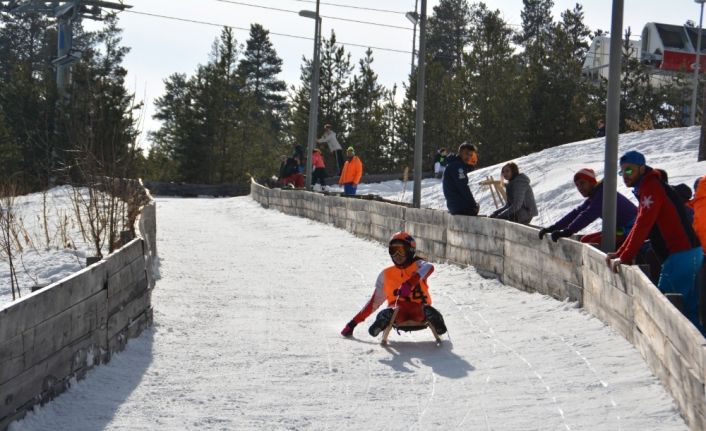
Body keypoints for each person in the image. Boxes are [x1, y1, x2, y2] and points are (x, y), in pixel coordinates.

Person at [606, 151, 702, 330]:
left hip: (681, 253)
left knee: (666, 309)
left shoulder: (651, 187)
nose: (625, 176)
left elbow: (643, 225)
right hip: (685, 253)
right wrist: (621, 253)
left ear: (642, 169)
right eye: (622, 172)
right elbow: (639, 225)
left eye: (629, 171)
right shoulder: (648, 187)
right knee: (686, 310)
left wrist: (625, 256)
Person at [340, 232, 447, 338]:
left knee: (422, 310)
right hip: (397, 313)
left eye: (401, 251)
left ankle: (433, 317)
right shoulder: (386, 274)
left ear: (410, 251)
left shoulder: (418, 265)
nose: (397, 255)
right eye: (393, 251)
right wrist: (353, 323)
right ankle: (383, 319)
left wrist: (411, 283)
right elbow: (373, 303)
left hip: (419, 310)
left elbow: (429, 267)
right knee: (393, 310)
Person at [539, 168, 637, 244]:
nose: (580, 188)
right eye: (577, 185)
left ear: (591, 182)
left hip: (632, 228)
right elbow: (576, 212)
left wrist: (568, 231)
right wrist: (553, 228)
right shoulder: (595, 195)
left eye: (582, 183)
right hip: (620, 229)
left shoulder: (603, 193)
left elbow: (588, 214)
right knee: (586, 240)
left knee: (589, 243)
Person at [442, 142, 479, 216]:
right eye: (466, 153)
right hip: (460, 207)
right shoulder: (457, 166)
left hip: (455, 206)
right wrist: (473, 204)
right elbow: (463, 187)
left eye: (470, 155)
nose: (468, 157)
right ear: (460, 152)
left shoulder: (454, 164)